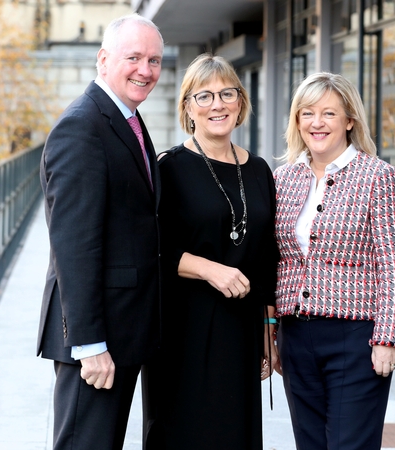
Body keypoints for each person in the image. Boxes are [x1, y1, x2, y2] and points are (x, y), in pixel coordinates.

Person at [36, 13, 163, 450]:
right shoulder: (82, 125)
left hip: (123, 330)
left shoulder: (125, 118)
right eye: (134, 57)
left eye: (154, 60)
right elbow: (74, 245)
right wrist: (89, 344)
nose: (145, 70)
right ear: (103, 59)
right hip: (95, 340)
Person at [272, 72, 395, 449]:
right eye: (307, 113)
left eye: (329, 113)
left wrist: (389, 338)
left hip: (356, 338)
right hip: (296, 336)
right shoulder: (282, 178)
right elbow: (277, 260)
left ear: (349, 120)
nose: (316, 123)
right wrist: (272, 330)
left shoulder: (379, 177)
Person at [147, 54, 278, 449]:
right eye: (203, 96)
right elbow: (152, 248)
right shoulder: (168, 168)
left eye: (227, 94)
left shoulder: (259, 170)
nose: (217, 105)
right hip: (184, 329)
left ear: (241, 102)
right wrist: (209, 269)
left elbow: (267, 257)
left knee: (235, 434)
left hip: (241, 329)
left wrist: (268, 330)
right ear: (188, 108)